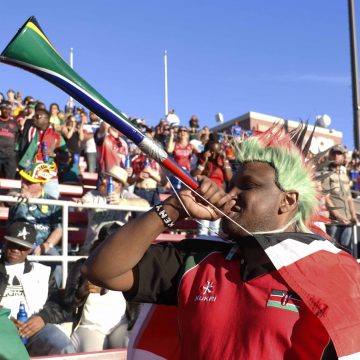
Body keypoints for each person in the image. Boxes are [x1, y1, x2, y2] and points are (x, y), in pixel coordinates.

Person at [84, 125, 360, 359]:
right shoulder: (199, 259)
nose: (231, 194)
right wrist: (173, 209)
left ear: (288, 201)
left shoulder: (330, 273)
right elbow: (103, 271)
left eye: (247, 186)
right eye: (231, 185)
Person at [0, 222, 75, 356]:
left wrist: (42, 317)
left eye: (23, 246)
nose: (16, 249)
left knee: (64, 347)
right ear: (5, 241)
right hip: (3, 330)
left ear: (30, 248)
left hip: (35, 330)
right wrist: (4, 321)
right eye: (12, 243)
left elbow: (56, 305)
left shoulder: (42, 272)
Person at [64, 222, 136, 352]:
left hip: (120, 325)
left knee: (130, 344)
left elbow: (138, 303)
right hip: (91, 326)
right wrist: (81, 292)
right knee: (95, 353)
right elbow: (67, 304)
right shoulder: (82, 266)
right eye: (108, 244)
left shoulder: (129, 268)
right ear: (98, 245)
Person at [7, 162, 63, 286]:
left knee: (58, 260)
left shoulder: (52, 202)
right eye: (23, 180)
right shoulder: (15, 195)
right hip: (16, 244)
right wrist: (16, 196)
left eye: (29, 182)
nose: (24, 184)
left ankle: (59, 297)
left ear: (42, 184)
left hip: (41, 245)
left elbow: (58, 229)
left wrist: (47, 245)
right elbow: (8, 200)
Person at [79, 165, 149, 254]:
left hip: (117, 246)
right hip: (92, 246)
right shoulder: (93, 194)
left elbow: (145, 204)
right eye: (104, 177)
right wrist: (81, 203)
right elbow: (80, 206)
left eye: (108, 179)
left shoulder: (124, 195)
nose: (103, 181)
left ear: (119, 184)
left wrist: (123, 202)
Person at [322, 145, 359, 254]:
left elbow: (349, 198)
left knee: (347, 252)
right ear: (330, 156)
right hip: (334, 222)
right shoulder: (326, 175)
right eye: (334, 153)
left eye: (339, 154)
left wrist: (353, 216)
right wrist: (339, 216)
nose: (336, 156)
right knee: (334, 252)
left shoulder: (345, 177)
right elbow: (326, 198)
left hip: (347, 221)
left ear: (343, 157)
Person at [191, 140, 233, 235]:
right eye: (212, 151)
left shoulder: (222, 162)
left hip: (218, 198)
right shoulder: (200, 159)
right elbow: (193, 175)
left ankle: (212, 247)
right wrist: (203, 162)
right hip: (204, 197)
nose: (214, 154)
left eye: (216, 152)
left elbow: (229, 177)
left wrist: (225, 160)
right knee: (203, 228)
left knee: (215, 228)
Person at [0, 101, 19, 179]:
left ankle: (8, 191)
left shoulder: (15, 124)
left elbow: (18, 138)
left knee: (10, 179)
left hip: (10, 156)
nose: (6, 111)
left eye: (9, 109)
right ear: (1, 109)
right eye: (4, 108)